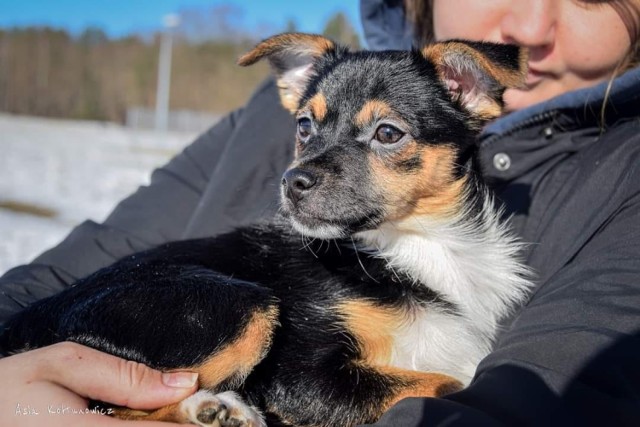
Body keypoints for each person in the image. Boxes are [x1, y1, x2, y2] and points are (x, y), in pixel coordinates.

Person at [1, 0, 639, 425]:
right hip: (110, 335)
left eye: (385, 135)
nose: (530, 25)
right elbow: (63, 276)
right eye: (308, 129)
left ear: (469, 90)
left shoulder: (622, 178)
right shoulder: (280, 121)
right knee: (243, 321)